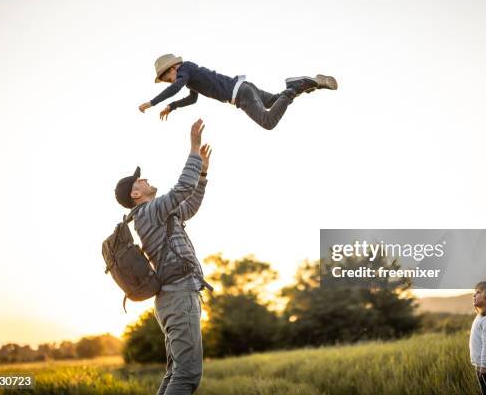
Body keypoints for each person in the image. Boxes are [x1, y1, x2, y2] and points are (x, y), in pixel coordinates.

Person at [114, 119, 211, 395]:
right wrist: (193, 148)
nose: (144, 179)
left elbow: (188, 205)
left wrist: (202, 175)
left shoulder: (156, 214)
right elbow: (181, 189)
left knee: (175, 374)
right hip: (178, 295)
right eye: (139, 180)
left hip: (173, 296)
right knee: (187, 375)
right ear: (135, 193)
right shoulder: (150, 211)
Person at [138, 53, 338, 130]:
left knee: (268, 122)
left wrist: (152, 103)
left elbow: (176, 86)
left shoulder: (184, 70)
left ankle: (293, 88)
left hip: (241, 94)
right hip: (244, 88)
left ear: (173, 68)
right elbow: (192, 99)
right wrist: (172, 107)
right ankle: (308, 84)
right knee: (273, 102)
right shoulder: (189, 78)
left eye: (167, 79)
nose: (169, 82)